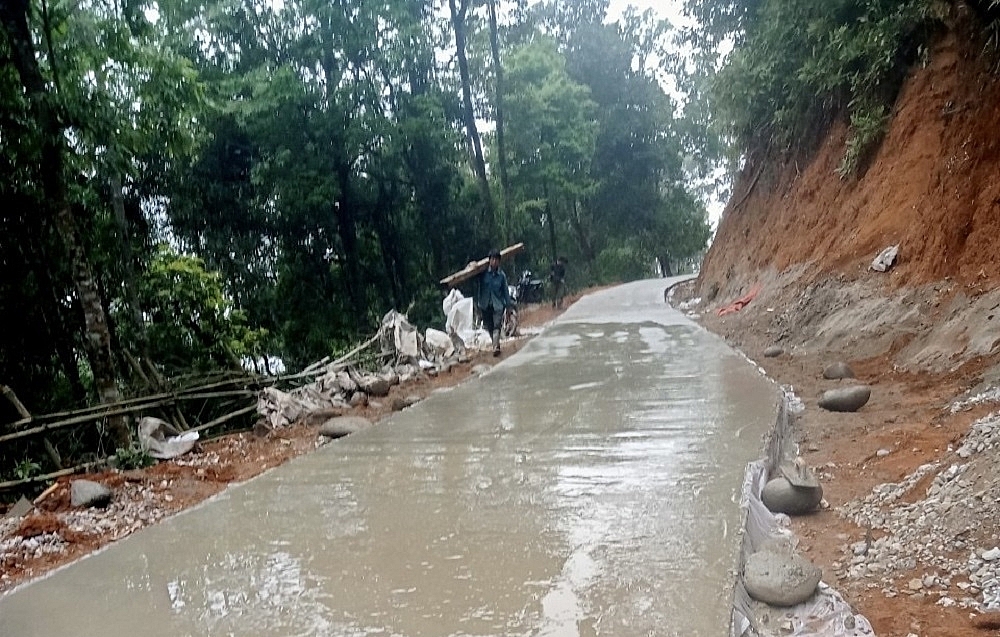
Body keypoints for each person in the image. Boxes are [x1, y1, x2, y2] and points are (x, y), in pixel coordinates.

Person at [476, 249, 515, 356]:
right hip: (485, 304)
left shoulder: (501, 276)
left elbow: (505, 291)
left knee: (497, 325)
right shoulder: (483, 273)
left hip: (498, 305)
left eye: (496, 260)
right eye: (492, 259)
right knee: (489, 326)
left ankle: (495, 346)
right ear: (489, 261)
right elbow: (472, 275)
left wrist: (508, 306)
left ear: (499, 262)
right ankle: (495, 343)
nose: (494, 262)